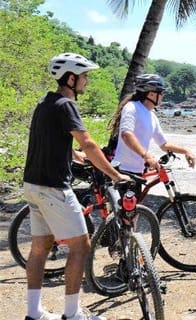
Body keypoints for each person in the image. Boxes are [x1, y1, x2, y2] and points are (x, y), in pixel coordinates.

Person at [23, 52, 131, 320]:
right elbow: (89, 143)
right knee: (81, 246)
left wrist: (74, 155)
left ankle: (33, 313)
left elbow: (50, 138)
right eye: (84, 77)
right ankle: (72, 315)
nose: (87, 82)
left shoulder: (45, 102)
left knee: (39, 248)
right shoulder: (66, 105)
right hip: (53, 188)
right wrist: (115, 175)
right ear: (70, 78)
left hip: (33, 185)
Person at [107, 74, 196, 181]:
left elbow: (164, 144)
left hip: (139, 171)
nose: (163, 96)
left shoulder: (151, 115)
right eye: (161, 93)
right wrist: (147, 156)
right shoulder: (132, 107)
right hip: (123, 170)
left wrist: (186, 150)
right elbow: (126, 134)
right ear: (152, 94)